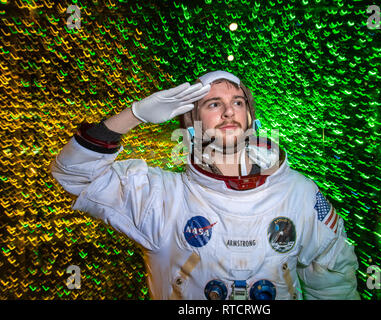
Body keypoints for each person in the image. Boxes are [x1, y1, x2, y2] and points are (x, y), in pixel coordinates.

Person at [51, 70, 360, 300]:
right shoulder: (161, 198)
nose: (229, 111)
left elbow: (335, 279)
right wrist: (133, 116)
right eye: (214, 104)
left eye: (237, 102)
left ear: (250, 117)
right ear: (191, 124)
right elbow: (76, 175)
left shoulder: (299, 193)